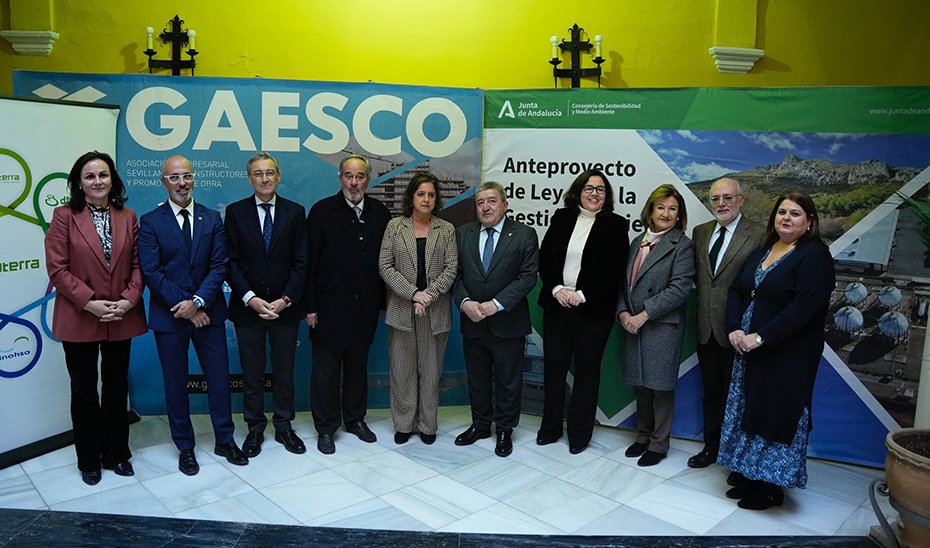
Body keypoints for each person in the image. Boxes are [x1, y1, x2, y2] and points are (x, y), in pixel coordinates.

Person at [717, 191, 835, 510]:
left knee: (776, 415)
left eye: (795, 213)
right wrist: (735, 328)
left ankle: (771, 488)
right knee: (751, 410)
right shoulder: (764, 249)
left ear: (809, 221)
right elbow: (737, 290)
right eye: (781, 211)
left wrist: (761, 337)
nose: (786, 218)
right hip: (749, 349)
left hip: (787, 354)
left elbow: (804, 308)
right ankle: (751, 475)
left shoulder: (814, 256)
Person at [138, 155, 247, 475]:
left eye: (186, 176)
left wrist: (198, 302)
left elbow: (219, 265)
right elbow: (151, 272)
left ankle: (224, 439)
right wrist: (186, 308)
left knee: (218, 380)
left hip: (208, 313)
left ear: (193, 179)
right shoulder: (151, 221)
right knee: (175, 383)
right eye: (174, 177)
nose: (182, 183)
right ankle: (185, 446)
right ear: (164, 182)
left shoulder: (212, 218)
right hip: (170, 317)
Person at [44, 151, 148, 486]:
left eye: (103, 175)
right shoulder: (63, 216)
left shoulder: (128, 215)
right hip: (80, 315)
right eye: (90, 176)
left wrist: (128, 300)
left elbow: (138, 265)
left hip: (120, 314)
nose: (97, 182)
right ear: (78, 182)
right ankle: (88, 459)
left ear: (112, 179)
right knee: (85, 390)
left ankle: (117, 454)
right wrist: (90, 303)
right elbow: (57, 269)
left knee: (117, 388)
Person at [536, 169, 629, 454]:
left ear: (607, 196)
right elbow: (546, 258)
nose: (594, 194)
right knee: (554, 370)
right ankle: (550, 429)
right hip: (557, 306)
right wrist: (556, 290)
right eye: (589, 188)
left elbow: (613, 269)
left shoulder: (616, 225)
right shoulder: (562, 218)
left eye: (601, 189)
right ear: (578, 191)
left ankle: (579, 434)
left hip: (592, 312)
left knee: (587, 373)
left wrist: (582, 295)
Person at [305, 155, 390, 454]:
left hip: (365, 308)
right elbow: (309, 263)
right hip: (327, 308)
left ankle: (355, 419)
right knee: (325, 373)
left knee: (357, 369)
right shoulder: (321, 211)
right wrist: (310, 306)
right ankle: (326, 428)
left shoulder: (381, 212)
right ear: (340, 178)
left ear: (368, 179)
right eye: (348, 176)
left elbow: (385, 263)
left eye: (360, 176)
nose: (354, 183)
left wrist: (381, 303)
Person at [225, 152, 308, 457]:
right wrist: (251, 299)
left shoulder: (295, 212)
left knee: (285, 372)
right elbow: (230, 262)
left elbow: (302, 262)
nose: (264, 179)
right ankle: (255, 429)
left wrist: (286, 300)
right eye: (258, 174)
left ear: (278, 176)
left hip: (285, 309)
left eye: (269, 173)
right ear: (250, 179)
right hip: (249, 308)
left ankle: (284, 426)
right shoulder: (235, 212)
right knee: (252, 373)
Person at [452, 181, 539, 458]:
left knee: (508, 380)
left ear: (505, 204)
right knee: (477, 379)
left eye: (491, 201)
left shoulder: (524, 234)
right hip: (473, 321)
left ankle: (504, 429)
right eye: (480, 202)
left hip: (508, 323)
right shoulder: (462, 234)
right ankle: (480, 424)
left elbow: (528, 277)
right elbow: (455, 275)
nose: (485, 207)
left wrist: (497, 304)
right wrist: (465, 303)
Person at [687, 177, 764, 469]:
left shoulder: (757, 234)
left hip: (740, 331)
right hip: (706, 328)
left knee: (741, 398)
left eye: (728, 198)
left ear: (741, 200)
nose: (721, 204)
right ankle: (712, 448)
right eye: (715, 198)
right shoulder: (701, 232)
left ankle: (738, 456)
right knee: (712, 394)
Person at [618, 184, 695, 467]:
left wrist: (643, 315)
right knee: (640, 385)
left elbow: (679, 289)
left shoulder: (682, 245)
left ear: (679, 215)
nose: (666, 213)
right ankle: (643, 436)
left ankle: (659, 444)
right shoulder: (637, 241)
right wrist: (623, 312)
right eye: (660, 207)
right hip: (632, 324)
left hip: (660, 326)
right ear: (650, 210)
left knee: (660, 388)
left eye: (672, 208)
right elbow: (623, 285)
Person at [378, 173, 457, 445]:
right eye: (421, 194)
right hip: (402, 309)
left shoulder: (446, 229)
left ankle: (427, 425)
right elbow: (385, 267)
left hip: (434, 312)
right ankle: (403, 423)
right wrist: (413, 294)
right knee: (402, 371)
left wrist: (428, 296)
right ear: (411, 197)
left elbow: (451, 269)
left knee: (430, 372)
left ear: (436, 199)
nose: (426, 199)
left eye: (431, 195)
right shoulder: (394, 227)